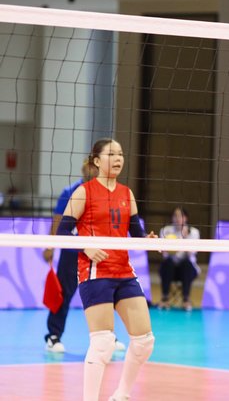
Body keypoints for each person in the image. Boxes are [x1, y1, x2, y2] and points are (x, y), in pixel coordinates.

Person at [57, 138, 156, 401]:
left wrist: (148, 240)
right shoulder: (83, 192)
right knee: (103, 343)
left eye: (120, 154)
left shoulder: (127, 194)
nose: (118, 158)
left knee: (144, 341)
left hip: (124, 272)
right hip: (95, 273)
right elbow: (62, 232)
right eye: (111, 154)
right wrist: (85, 246)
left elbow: (136, 235)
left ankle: (121, 394)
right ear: (97, 161)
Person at [43, 160, 125, 353]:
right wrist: (50, 246)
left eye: (95, 167)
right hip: (73, 251)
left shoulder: (106, 192)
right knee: (64, 294)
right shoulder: (70, 191)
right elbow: (58, 220)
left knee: (104, 293)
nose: (91, 170)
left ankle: (108, 336)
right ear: (84, 168)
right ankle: (53, 336)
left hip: (98, 252)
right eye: (89, 166)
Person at [157, 206, 200, 311]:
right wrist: (180, 238)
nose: (177, 218)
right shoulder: (165, 231)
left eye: (180, 216)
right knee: (168, 263)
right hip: (170, 269)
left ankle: (186, 299)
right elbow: (165, 253)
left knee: (186, 264)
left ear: (186, 218)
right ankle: (165, 298)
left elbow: (192, 253)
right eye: (175, 216)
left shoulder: (194, 232)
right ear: (172, 218)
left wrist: (185, 238)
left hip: (187, 270)